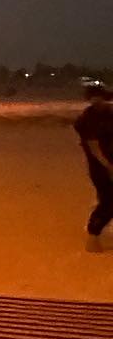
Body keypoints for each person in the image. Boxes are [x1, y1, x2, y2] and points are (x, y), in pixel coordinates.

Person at [75, 83, 113, 247]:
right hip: (100, 167)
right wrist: (109, 167)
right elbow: (94, 148)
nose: (99, 101)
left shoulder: (109, 114)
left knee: (107, 199)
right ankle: (93, 234)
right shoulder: (87, 119)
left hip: (108, 163)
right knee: (109, 200)